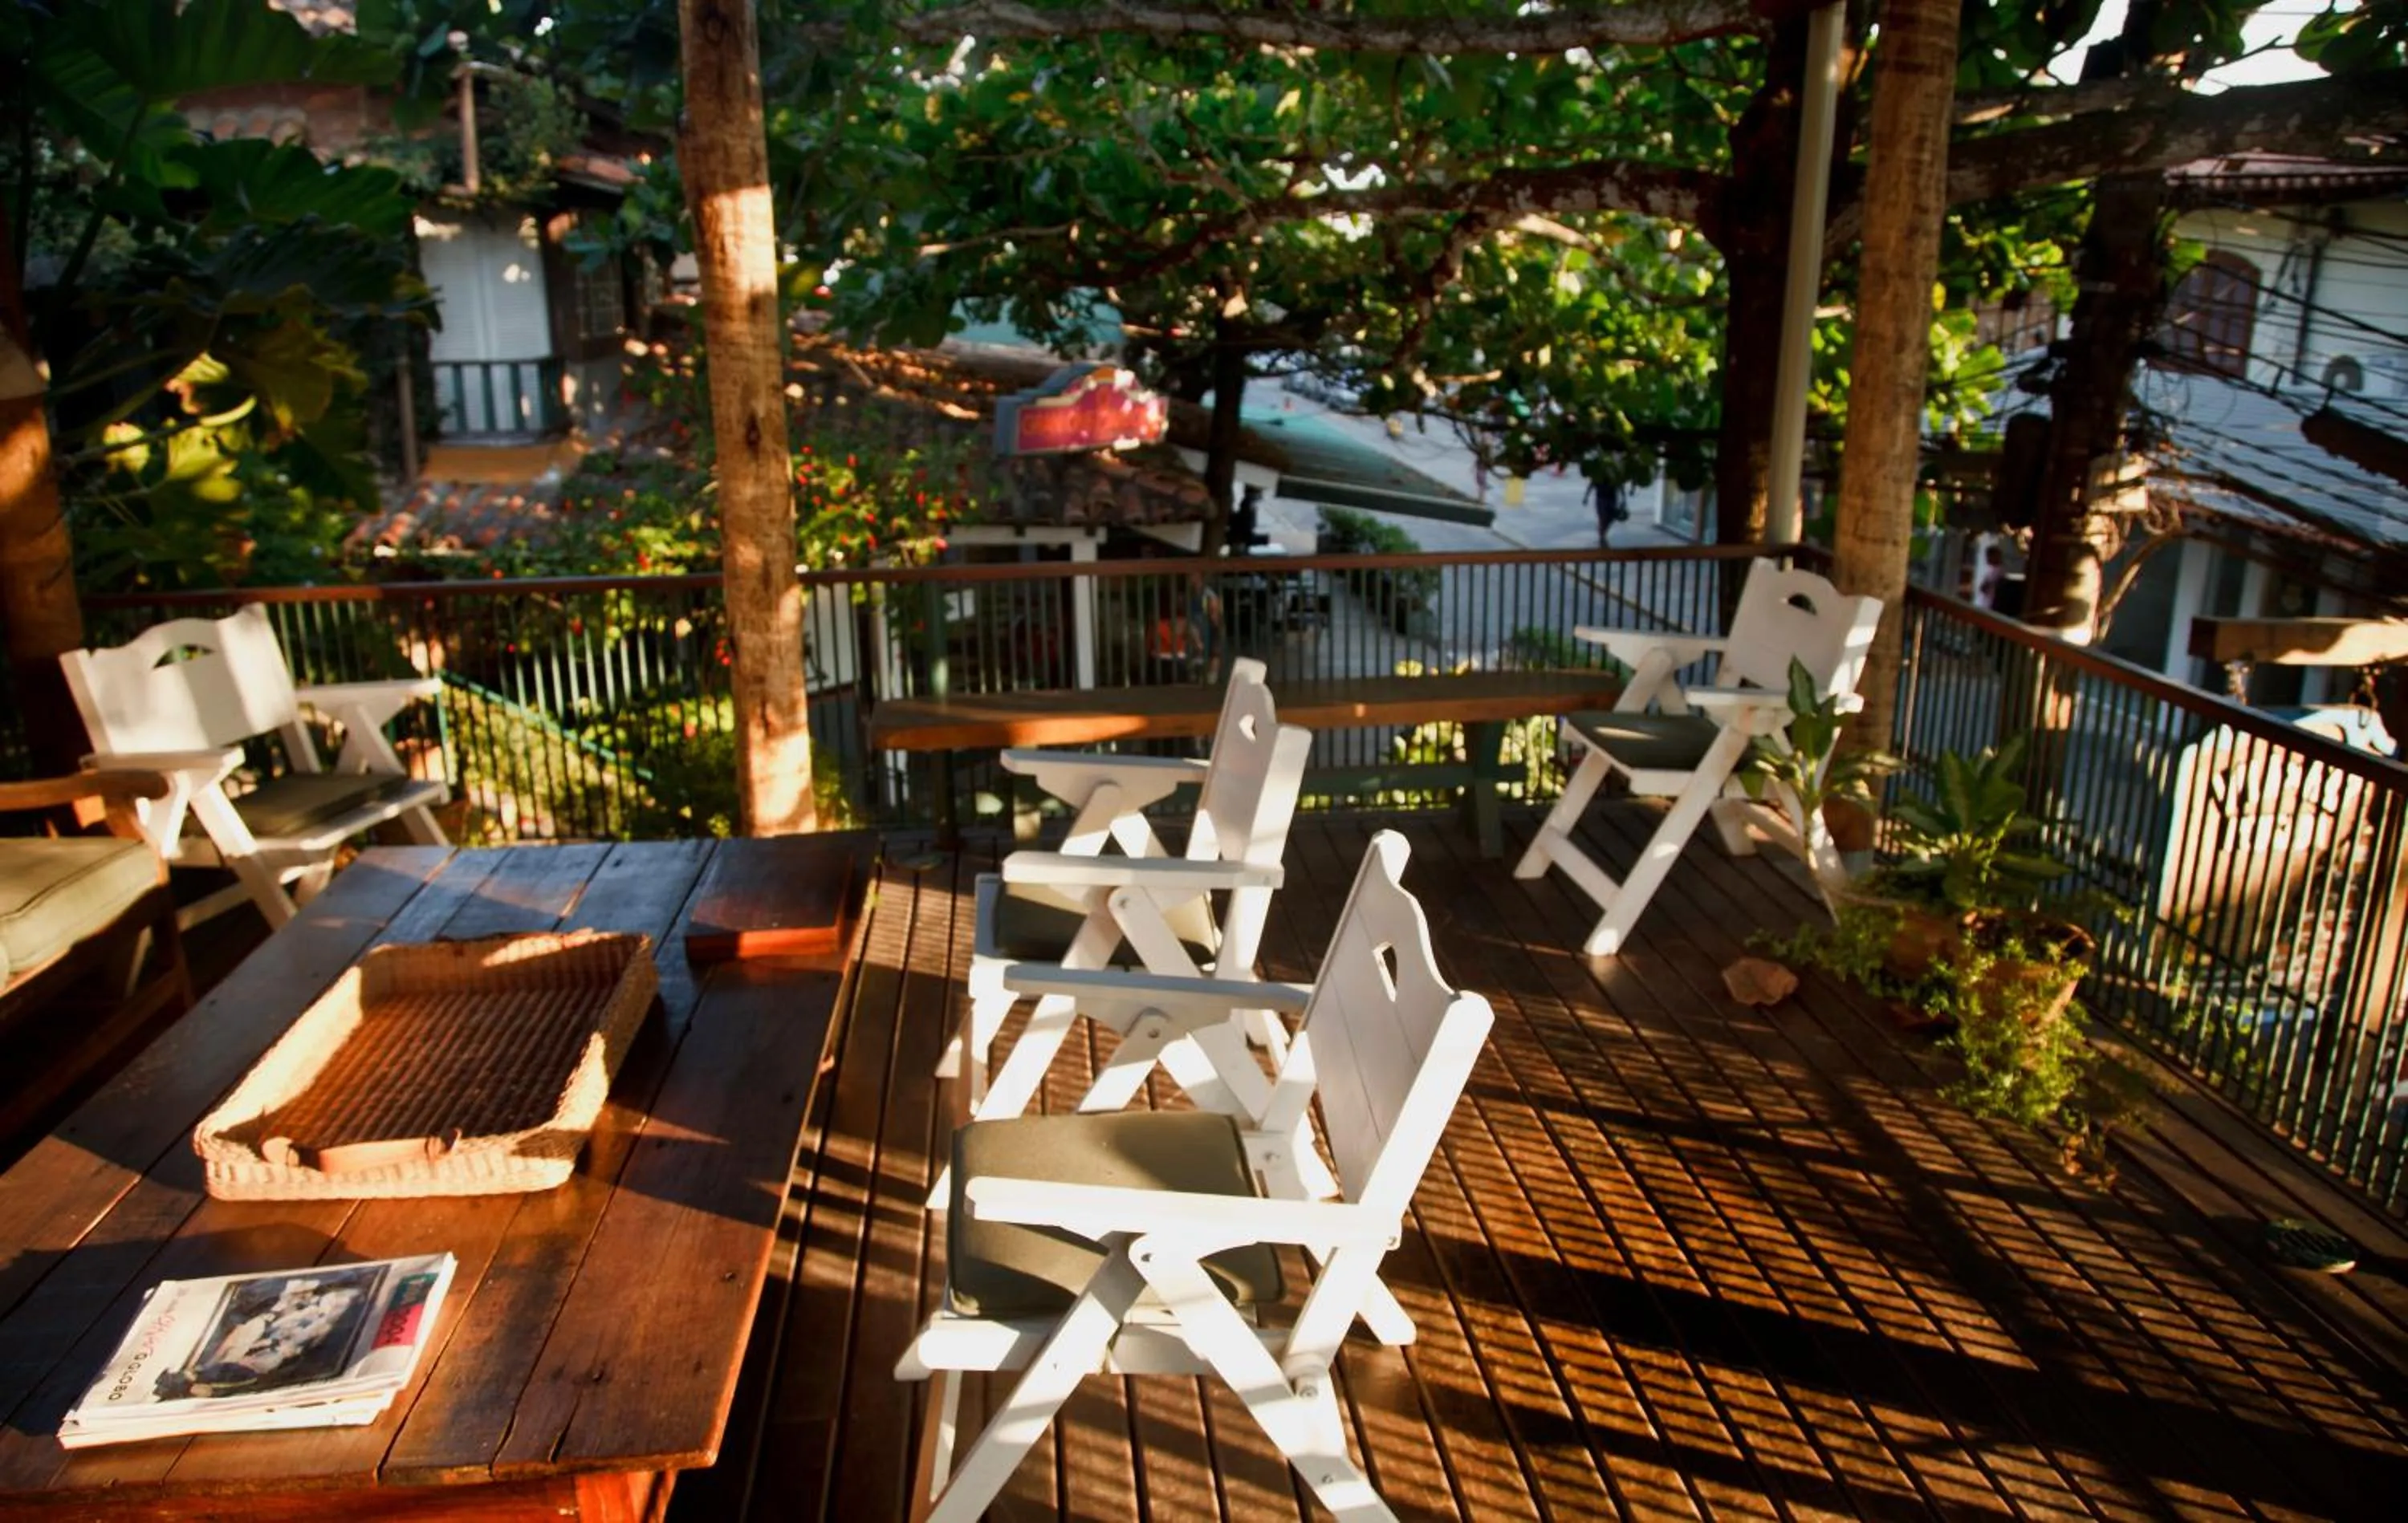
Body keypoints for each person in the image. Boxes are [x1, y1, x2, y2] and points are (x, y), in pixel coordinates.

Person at [1591, 477, 1627, 548]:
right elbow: (1592, 484)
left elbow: (1620, 484)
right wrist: (1586, 496)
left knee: (1610, 517)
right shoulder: (1599, 473)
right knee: (1603, 517)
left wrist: (1623, 497)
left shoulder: (1614, 472)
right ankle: (1602, 535)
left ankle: (1602, 533)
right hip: (1601, 497)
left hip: (1611, 498)